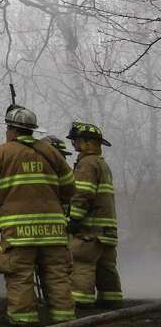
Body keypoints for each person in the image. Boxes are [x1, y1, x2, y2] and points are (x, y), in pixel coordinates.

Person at [0, 105, 76, 326]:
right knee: (58, 275)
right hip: (54, 230)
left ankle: (23, 320)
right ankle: (64, 320)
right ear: (32, 130)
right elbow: (69, 187)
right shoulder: (52, 153)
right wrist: (61, 212)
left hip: (18, 230)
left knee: (19, 275)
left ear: (11, 129)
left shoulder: (0, 153)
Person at [66, 121, 122, 308]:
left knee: (82, 263)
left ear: (87, 142)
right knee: (107, 266)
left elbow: (83, 193)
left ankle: (81, 301)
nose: (74, 145)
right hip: (107, 229)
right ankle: (111, 299)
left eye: (76, 141)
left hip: (90, 229)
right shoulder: (102, 164)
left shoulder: (87, 163)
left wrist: (74, 218)